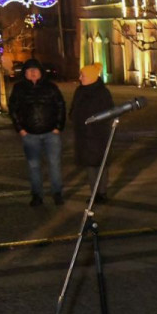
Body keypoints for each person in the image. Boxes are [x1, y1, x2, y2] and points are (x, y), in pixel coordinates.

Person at [8, 58, 66, 206]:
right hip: (29, 134)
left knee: (54, 164)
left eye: (35, 70)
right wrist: (20, 129)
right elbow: (13, 109)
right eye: (29, 71)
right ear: (25, 73)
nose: (33, 73)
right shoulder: (19, 88)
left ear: (41, 72)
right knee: (34, 166)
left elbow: (60, 106)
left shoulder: (51, 87)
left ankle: (57, 192)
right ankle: (37, 195)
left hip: (51, 133)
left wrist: (58, 127)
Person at [68, 63, 114, 202]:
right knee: (89, 166)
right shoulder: (79, 91)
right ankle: (94, 193)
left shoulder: (102, 92)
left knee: (100, 164)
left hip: (99, 135)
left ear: (91, 77)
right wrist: (74, 117)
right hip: (84, 135)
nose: (80, 78)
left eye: (83, 75)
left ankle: (102, 193)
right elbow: (73, 109)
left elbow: (109, 112)